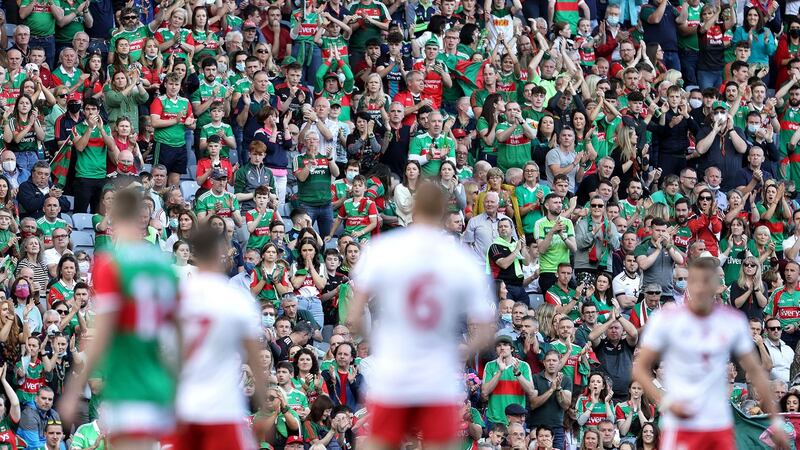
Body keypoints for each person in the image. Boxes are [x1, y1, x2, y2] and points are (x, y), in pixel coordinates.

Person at [347, 181, 495, 449]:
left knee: (374, 444)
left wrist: (379, 344)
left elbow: (354, 317)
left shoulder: (384, 249)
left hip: (395, 372)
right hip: (437, 375)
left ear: (413, 208)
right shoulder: (461, 259)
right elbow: (485, 330)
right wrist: (458, 353)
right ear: (442, 213)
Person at [60, 190, 180, 449]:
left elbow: (103, 331)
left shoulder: (110, 264)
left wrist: (73, 389)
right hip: (158, 373)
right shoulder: (162, 264)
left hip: (127, 374)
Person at [633, 254, 789, 450]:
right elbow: (640, 368)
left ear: (716, 284)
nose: (701, 287)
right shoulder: (666, 320)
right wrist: (665, 400)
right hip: (682, 424)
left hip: (717, 422)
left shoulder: (733, 321)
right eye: (696, 281)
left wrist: (776, 422)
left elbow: (757, 371)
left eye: (707, 281)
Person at [175, 228, 268, 450]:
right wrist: (264, 403)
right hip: (221, 407)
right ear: (220, 253)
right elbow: (255, 357)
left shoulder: (176, 295)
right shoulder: (235, 299)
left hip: (183, 405)